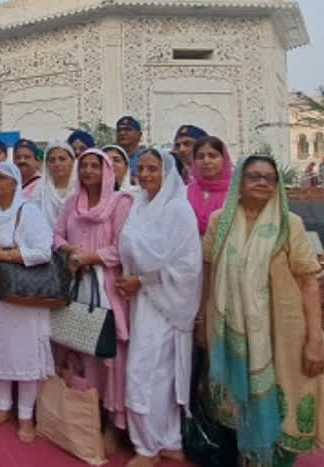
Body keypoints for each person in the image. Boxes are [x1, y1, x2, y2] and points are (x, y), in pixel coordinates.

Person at [201, 156, 324, 467]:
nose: (262, 182)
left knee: (284, 398)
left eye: (269, 178)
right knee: (236, 404)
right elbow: (208, 273)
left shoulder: (290, 224)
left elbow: (309, 283)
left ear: (277, 186)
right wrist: (201, 321)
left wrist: (315, 339)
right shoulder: (220, 222)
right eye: (253, 176)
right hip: (231, 331)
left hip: (284, 334)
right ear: (239, 183)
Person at [118, 149, 201, 466]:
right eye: (142, 169)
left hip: (167, 301)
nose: (147, 175)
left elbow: (187, 264)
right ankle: (158, 441)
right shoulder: (139, 204)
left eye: (153, 169)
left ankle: (153, 445)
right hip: (142, 302)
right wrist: (134, 280)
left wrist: (143, 280)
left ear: (168, 173)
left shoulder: (179, 209)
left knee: (150, 372)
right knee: (150, 372)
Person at [53, 148, 134, 455]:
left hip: (107, 289)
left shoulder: (120, 203)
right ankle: (85, 416)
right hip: (77, 286)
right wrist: (71, 251)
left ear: (107, 171)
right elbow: (56, 235)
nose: (87, 171)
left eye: (94, 166)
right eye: (83, 165)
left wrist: (90, 257)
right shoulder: (72, 202)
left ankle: (113, 425)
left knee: (108, 356)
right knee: (78, 349)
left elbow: (123, 246)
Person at [0, 161, 57, 443]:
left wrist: (5, 255)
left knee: (24, 351)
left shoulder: (29, 212)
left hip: (24, 295)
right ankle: (3, 407)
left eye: (1, 178)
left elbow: (44, 251)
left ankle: (25, 415)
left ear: (14, 183)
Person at [187, 136, 233, 236]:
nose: (206, 161)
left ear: (224, 159)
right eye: (200, 157)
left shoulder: (235, 192)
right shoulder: (184, 193)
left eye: (212, 156)